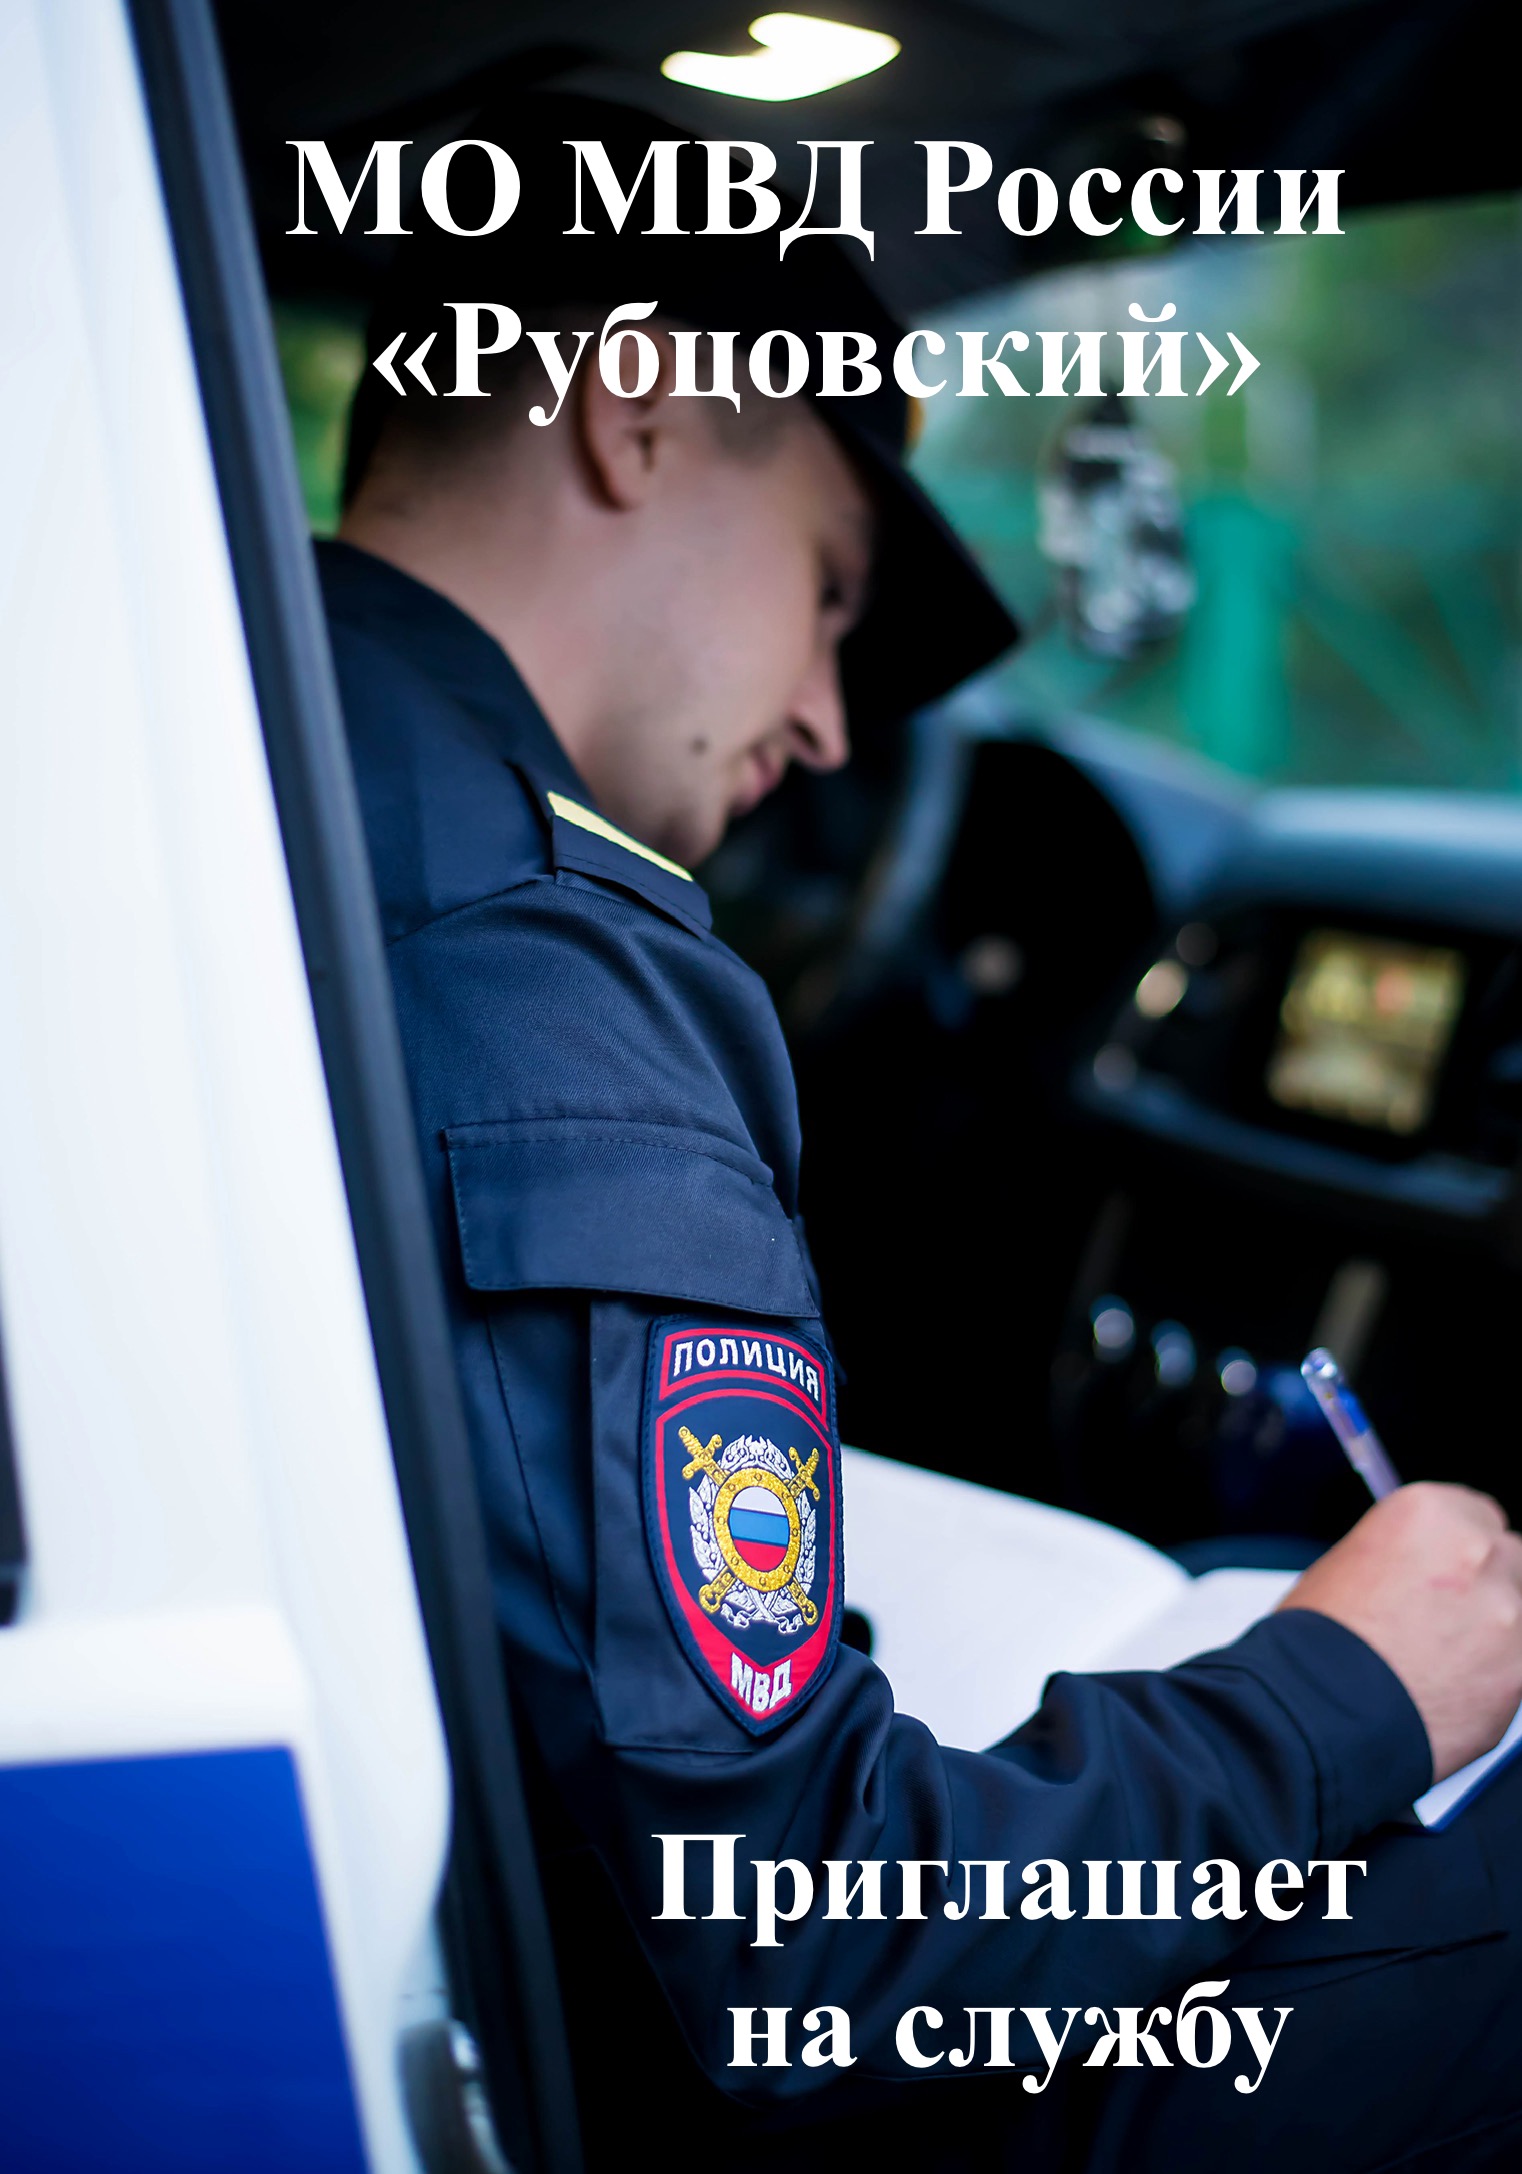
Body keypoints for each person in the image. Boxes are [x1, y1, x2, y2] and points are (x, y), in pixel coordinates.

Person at [318, 98, 1522, 2172]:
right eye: (829, 584)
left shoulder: (237, 767)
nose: (827, 719)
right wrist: (1348, 1694)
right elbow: (792, 1934)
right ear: (637, 408)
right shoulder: (534, 962)